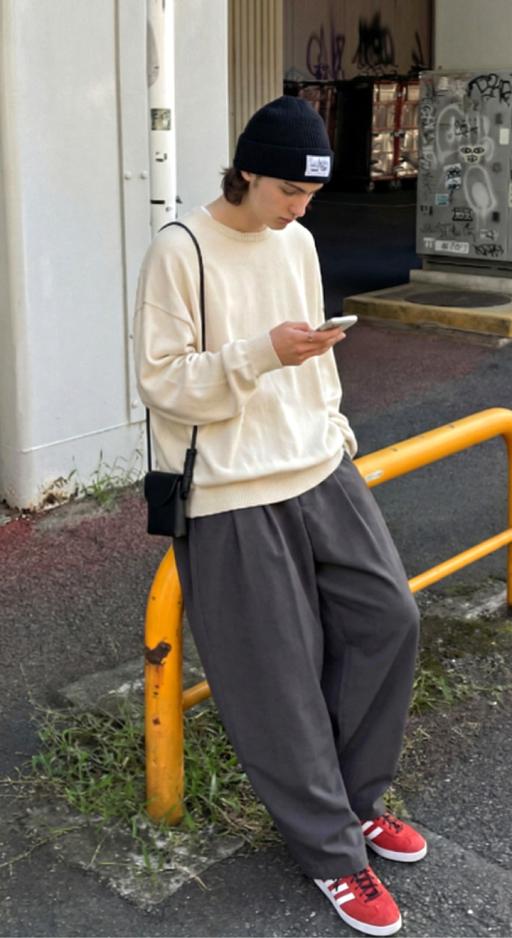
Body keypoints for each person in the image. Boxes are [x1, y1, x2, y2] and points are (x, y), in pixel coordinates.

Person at [134, 95, 425, 936]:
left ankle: (355, 803)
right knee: (278, 676)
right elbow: (161, 380)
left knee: (388, 618)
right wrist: (262, 354)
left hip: (318, 464)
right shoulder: (181, 249)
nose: (300, 209)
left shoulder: (295, 242)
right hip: (230, 486)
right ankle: (331, 852)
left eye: (311, 195)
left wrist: (333, 428)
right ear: (247, 172)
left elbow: (314, 365)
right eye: (288, 191)